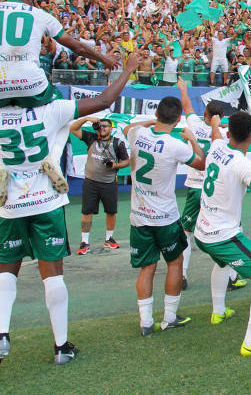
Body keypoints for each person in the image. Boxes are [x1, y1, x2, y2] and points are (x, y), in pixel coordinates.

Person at [0, 52, 140, 365]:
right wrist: (128, 69)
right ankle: (61, 346)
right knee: (52, 276)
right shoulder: (52, 110)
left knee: (6, 270)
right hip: (45, 201)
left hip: (8, 202)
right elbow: (105, 100)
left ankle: (2, 334)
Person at [194, 112, 251, 356]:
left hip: (201, 231)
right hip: (221, 236)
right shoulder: (241, 164)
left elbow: (215, 134)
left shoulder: (217, 146)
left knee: (224, 265)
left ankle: (218, 311)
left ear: (228, 132)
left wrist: (214, 123)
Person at [122, 96, 206, 336]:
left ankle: (145, 322)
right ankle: (169, 316)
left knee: (147, 268)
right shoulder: (175, 145)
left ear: (157, 113)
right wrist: (192, 140)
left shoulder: (138, 134)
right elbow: (201, 164)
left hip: (139, 215)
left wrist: (152, 121)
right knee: (175, 263)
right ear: (179, 119)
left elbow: (128, 129)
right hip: (165, 216)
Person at [0, 0, 117, 108]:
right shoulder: (40, 15)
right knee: (58, 107)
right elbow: (78, 47)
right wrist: (104, 59)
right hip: (30, 85)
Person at [176, 79, 244, 292]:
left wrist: (183, 88)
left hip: (195, 188)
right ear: (221, 117)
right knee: (226, 230)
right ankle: (232, 276)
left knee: (186, 231)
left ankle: (182, 275)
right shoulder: (223, 135)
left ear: (204, 115)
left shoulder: (194, 124)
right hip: (215, 190)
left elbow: (187, 105)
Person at [68, 117, 130, 255]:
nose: (102, 128)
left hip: (109, 183)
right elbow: (73, 128)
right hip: (91, 183)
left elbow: (126, 161)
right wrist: (87, 119)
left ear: (111, 128)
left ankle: (109, 238)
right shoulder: (91, 138)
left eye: (105, 126)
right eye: (100, 126)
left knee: (111, 212)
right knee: (87, 212)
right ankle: (84, 242)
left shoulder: (117, 143)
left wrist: (116, 166)